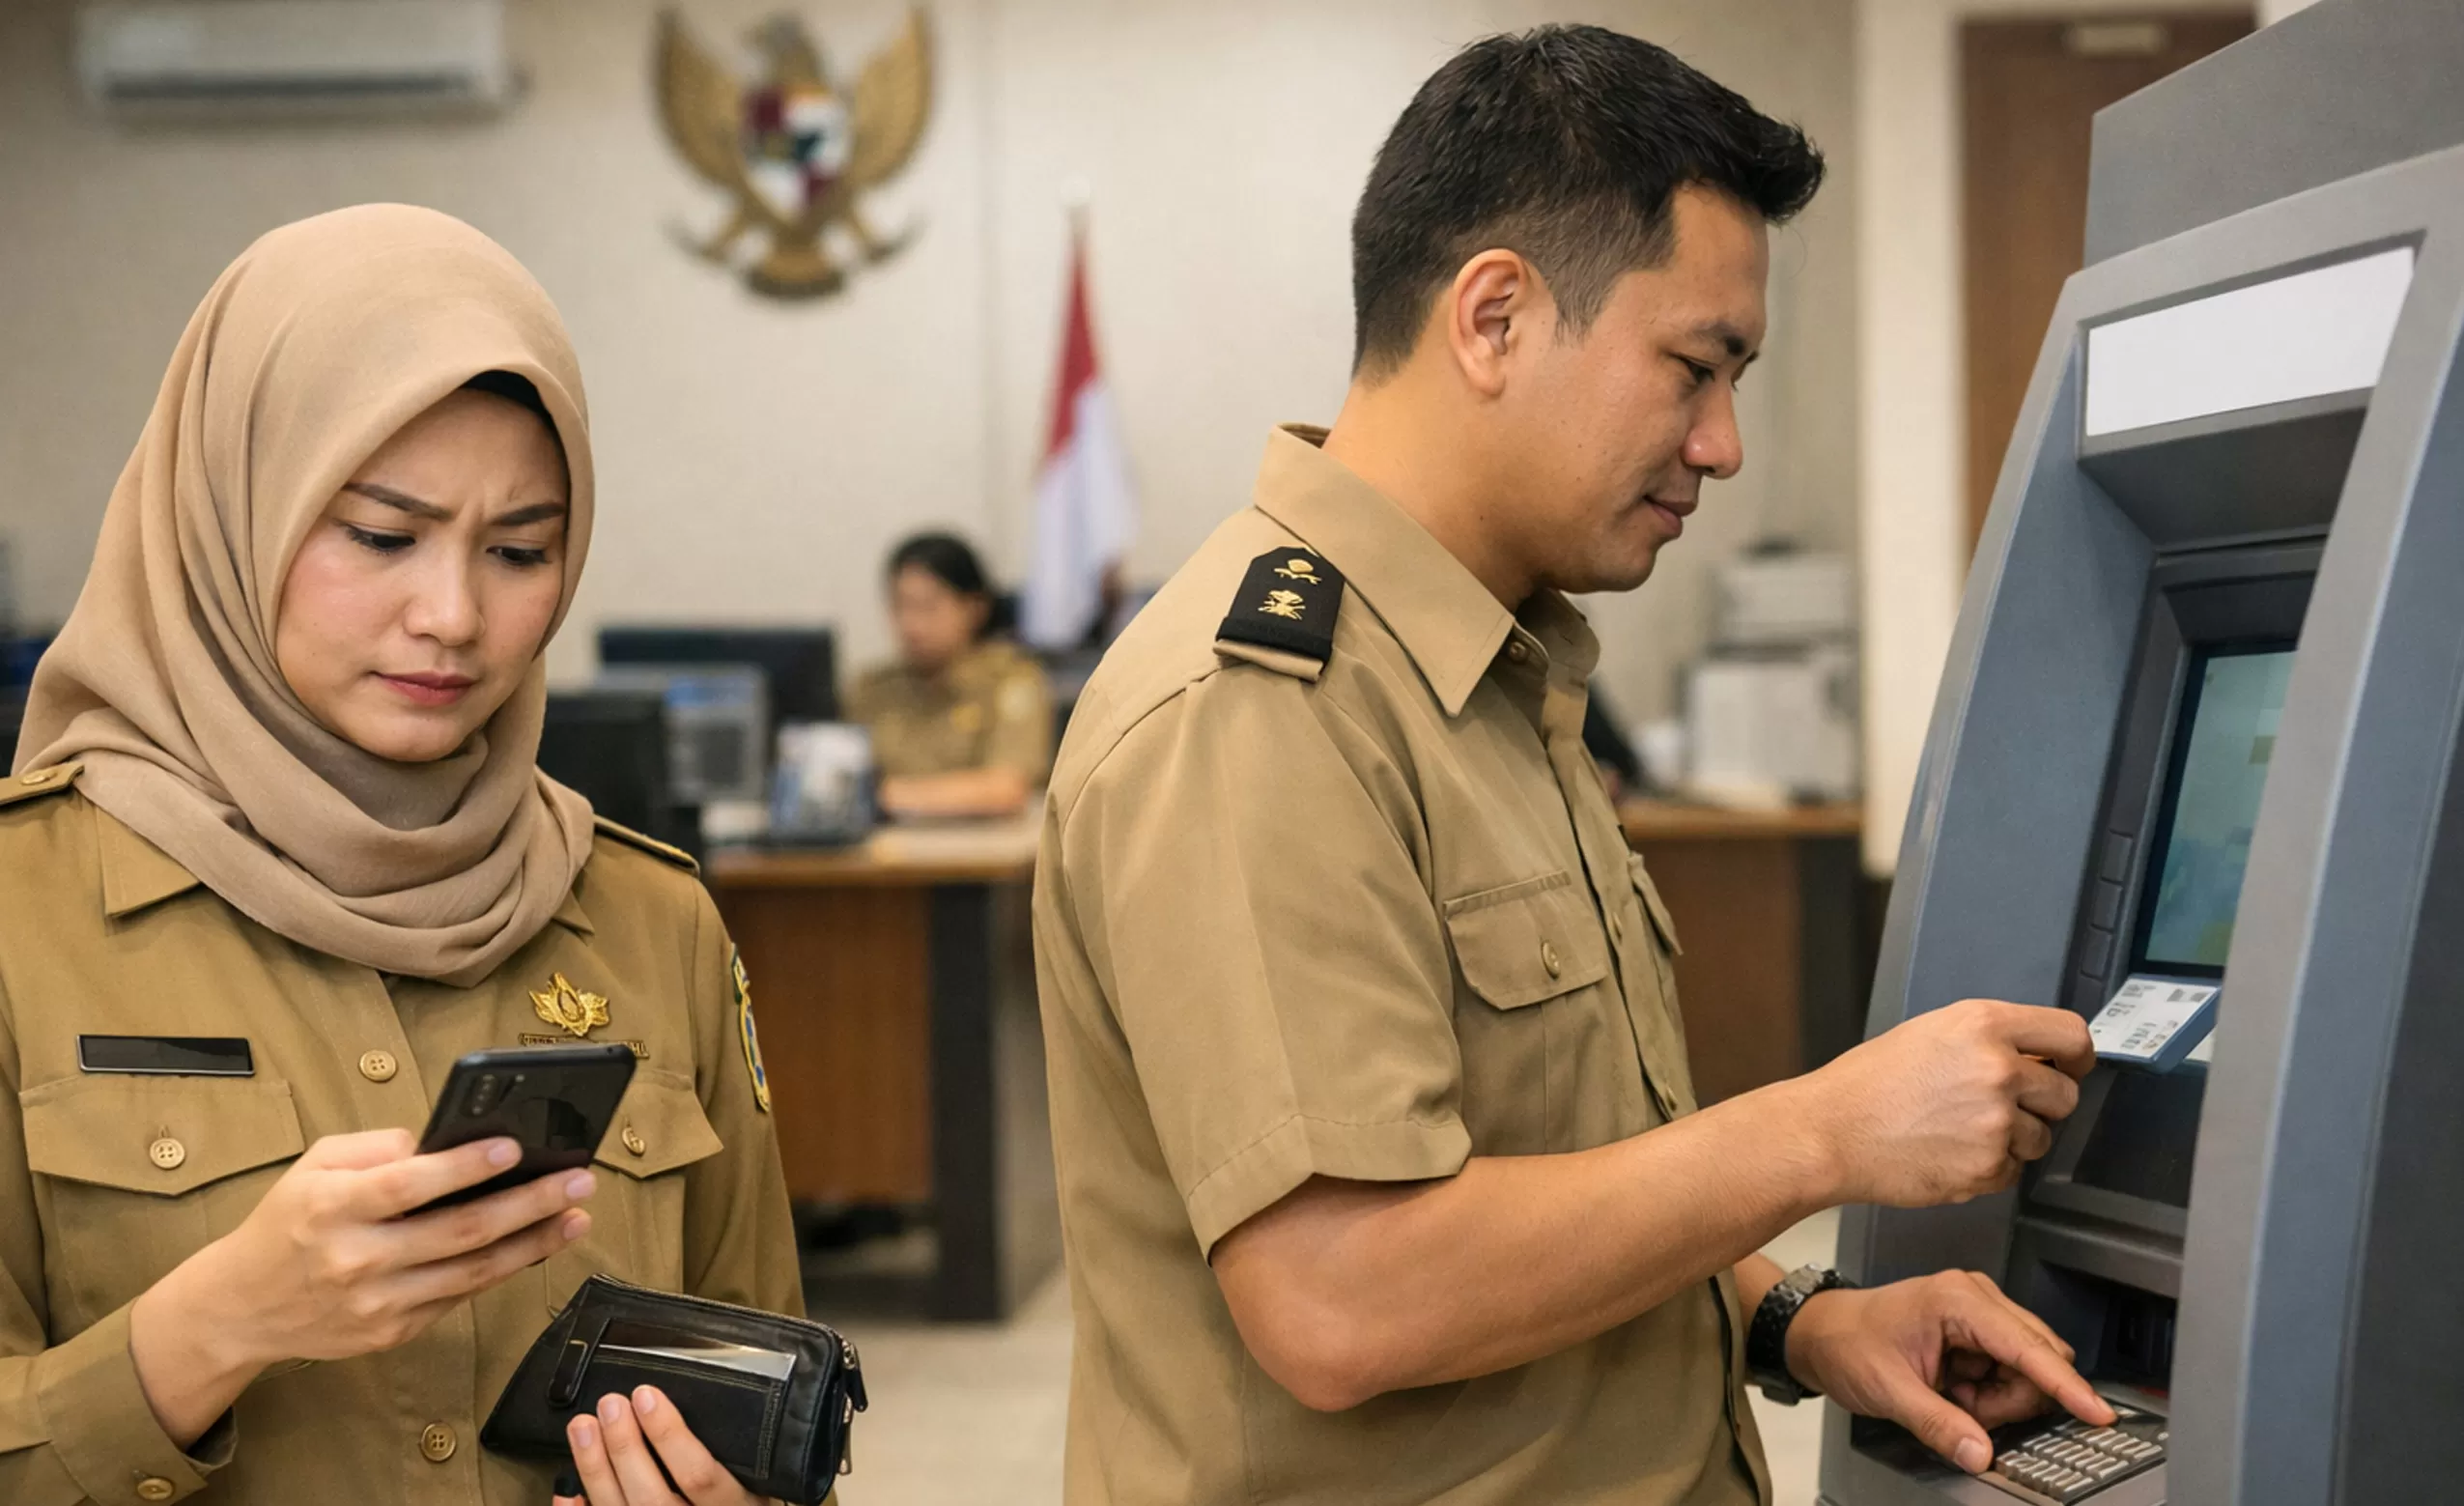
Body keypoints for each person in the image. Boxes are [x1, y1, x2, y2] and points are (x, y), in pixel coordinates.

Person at [1033, 28, 2111, 1506]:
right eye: (1692, 368)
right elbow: (1343, 1293)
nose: (1720, 444)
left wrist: (1794, 1316)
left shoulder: (1487, 676)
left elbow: (1545, 1174)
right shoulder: (1261, 711)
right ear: (1493, 318)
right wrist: (1819, 1130)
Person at [0, 205, 805, 1506]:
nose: (453, 614)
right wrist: (212, 1326)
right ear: (231, 512)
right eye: (381, 535)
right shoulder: (21, 913)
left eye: (520, 550)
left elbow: (767, 1398)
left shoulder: (648, 916)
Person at [846, 531, 1054, 819]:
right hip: (891, 844)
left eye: (927, 607)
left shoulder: (1011, 680)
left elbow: (1007, 788)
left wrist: (886, 795)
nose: (911, 625)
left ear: (974, 608)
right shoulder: (872, 689)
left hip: (984, 843)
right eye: (900, 606)